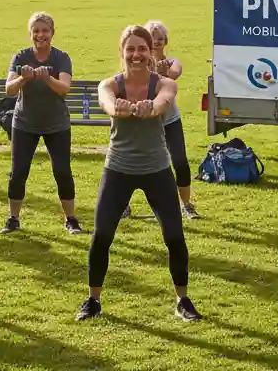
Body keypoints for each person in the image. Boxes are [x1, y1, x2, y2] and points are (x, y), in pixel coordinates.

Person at [76, 25, 202, 323]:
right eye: (130, 49)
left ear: (150, 52)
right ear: (122, 52)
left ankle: (182, 300)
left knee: (174, 235)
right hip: (118, 168)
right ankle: (93, 301)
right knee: (102, 236)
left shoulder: (163, 83)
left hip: (156, 169)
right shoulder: (110, 84)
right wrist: (118, 109)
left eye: (142, 49)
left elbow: (162, 103)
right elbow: (107, 103)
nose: (136, 54)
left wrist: (150, 107)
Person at [1, 12, 82, 235]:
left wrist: (46, 78)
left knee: (62, 171)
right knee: (18, 172)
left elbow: (64, 88)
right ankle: (13, 219)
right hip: (24, 122)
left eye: (45, 30)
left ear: (52, 33)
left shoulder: (61, 58)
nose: (40, 35)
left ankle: (71, 219)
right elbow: (9, 89)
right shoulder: (21, 57)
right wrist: (24, 78)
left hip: (56, 124)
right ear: (31, 34)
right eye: (36, 31)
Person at [145, 20, 198, 219]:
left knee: (180, 162)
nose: (156, 42)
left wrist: (164, 71)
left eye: (160, 38)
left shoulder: (172, 61)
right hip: (146, 122)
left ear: (165, 41)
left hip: (170, 121)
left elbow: (173, 75)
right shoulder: (139, 62)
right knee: (135, 165)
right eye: (152, 38)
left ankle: (186, 204)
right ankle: (123, 205)